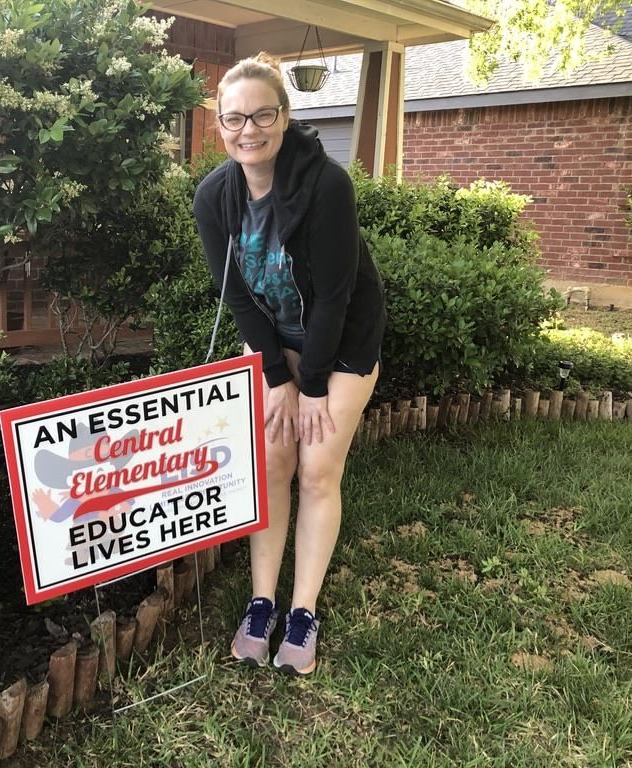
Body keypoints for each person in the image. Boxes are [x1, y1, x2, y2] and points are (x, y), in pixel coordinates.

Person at [192, 53, 386, 676]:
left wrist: (311, 386)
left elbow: (333, 295)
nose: (248, 130)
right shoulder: (214, 197)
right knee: (271, 464)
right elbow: (237, 295)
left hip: (342, 341)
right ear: (219, 123)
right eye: (234, 118)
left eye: (262, 114)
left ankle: (303, 611)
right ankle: (262, 601)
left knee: (318, 467)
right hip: (274, 340)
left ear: (284, 116)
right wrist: (277, 375)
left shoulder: (326, 185)